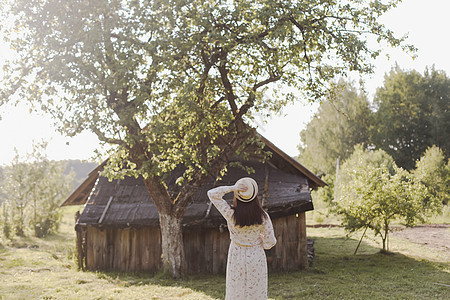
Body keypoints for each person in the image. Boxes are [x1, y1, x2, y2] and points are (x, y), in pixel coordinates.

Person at [207, 177, 277, 300]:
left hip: (236, 254)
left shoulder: (230, 214)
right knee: (257, 291)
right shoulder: (263, 216)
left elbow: (212, 194)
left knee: (236, 290)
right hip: (256, 255)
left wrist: (233, 188)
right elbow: (270, 241)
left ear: (237, 197)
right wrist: (261, 240)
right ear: (255, 197)